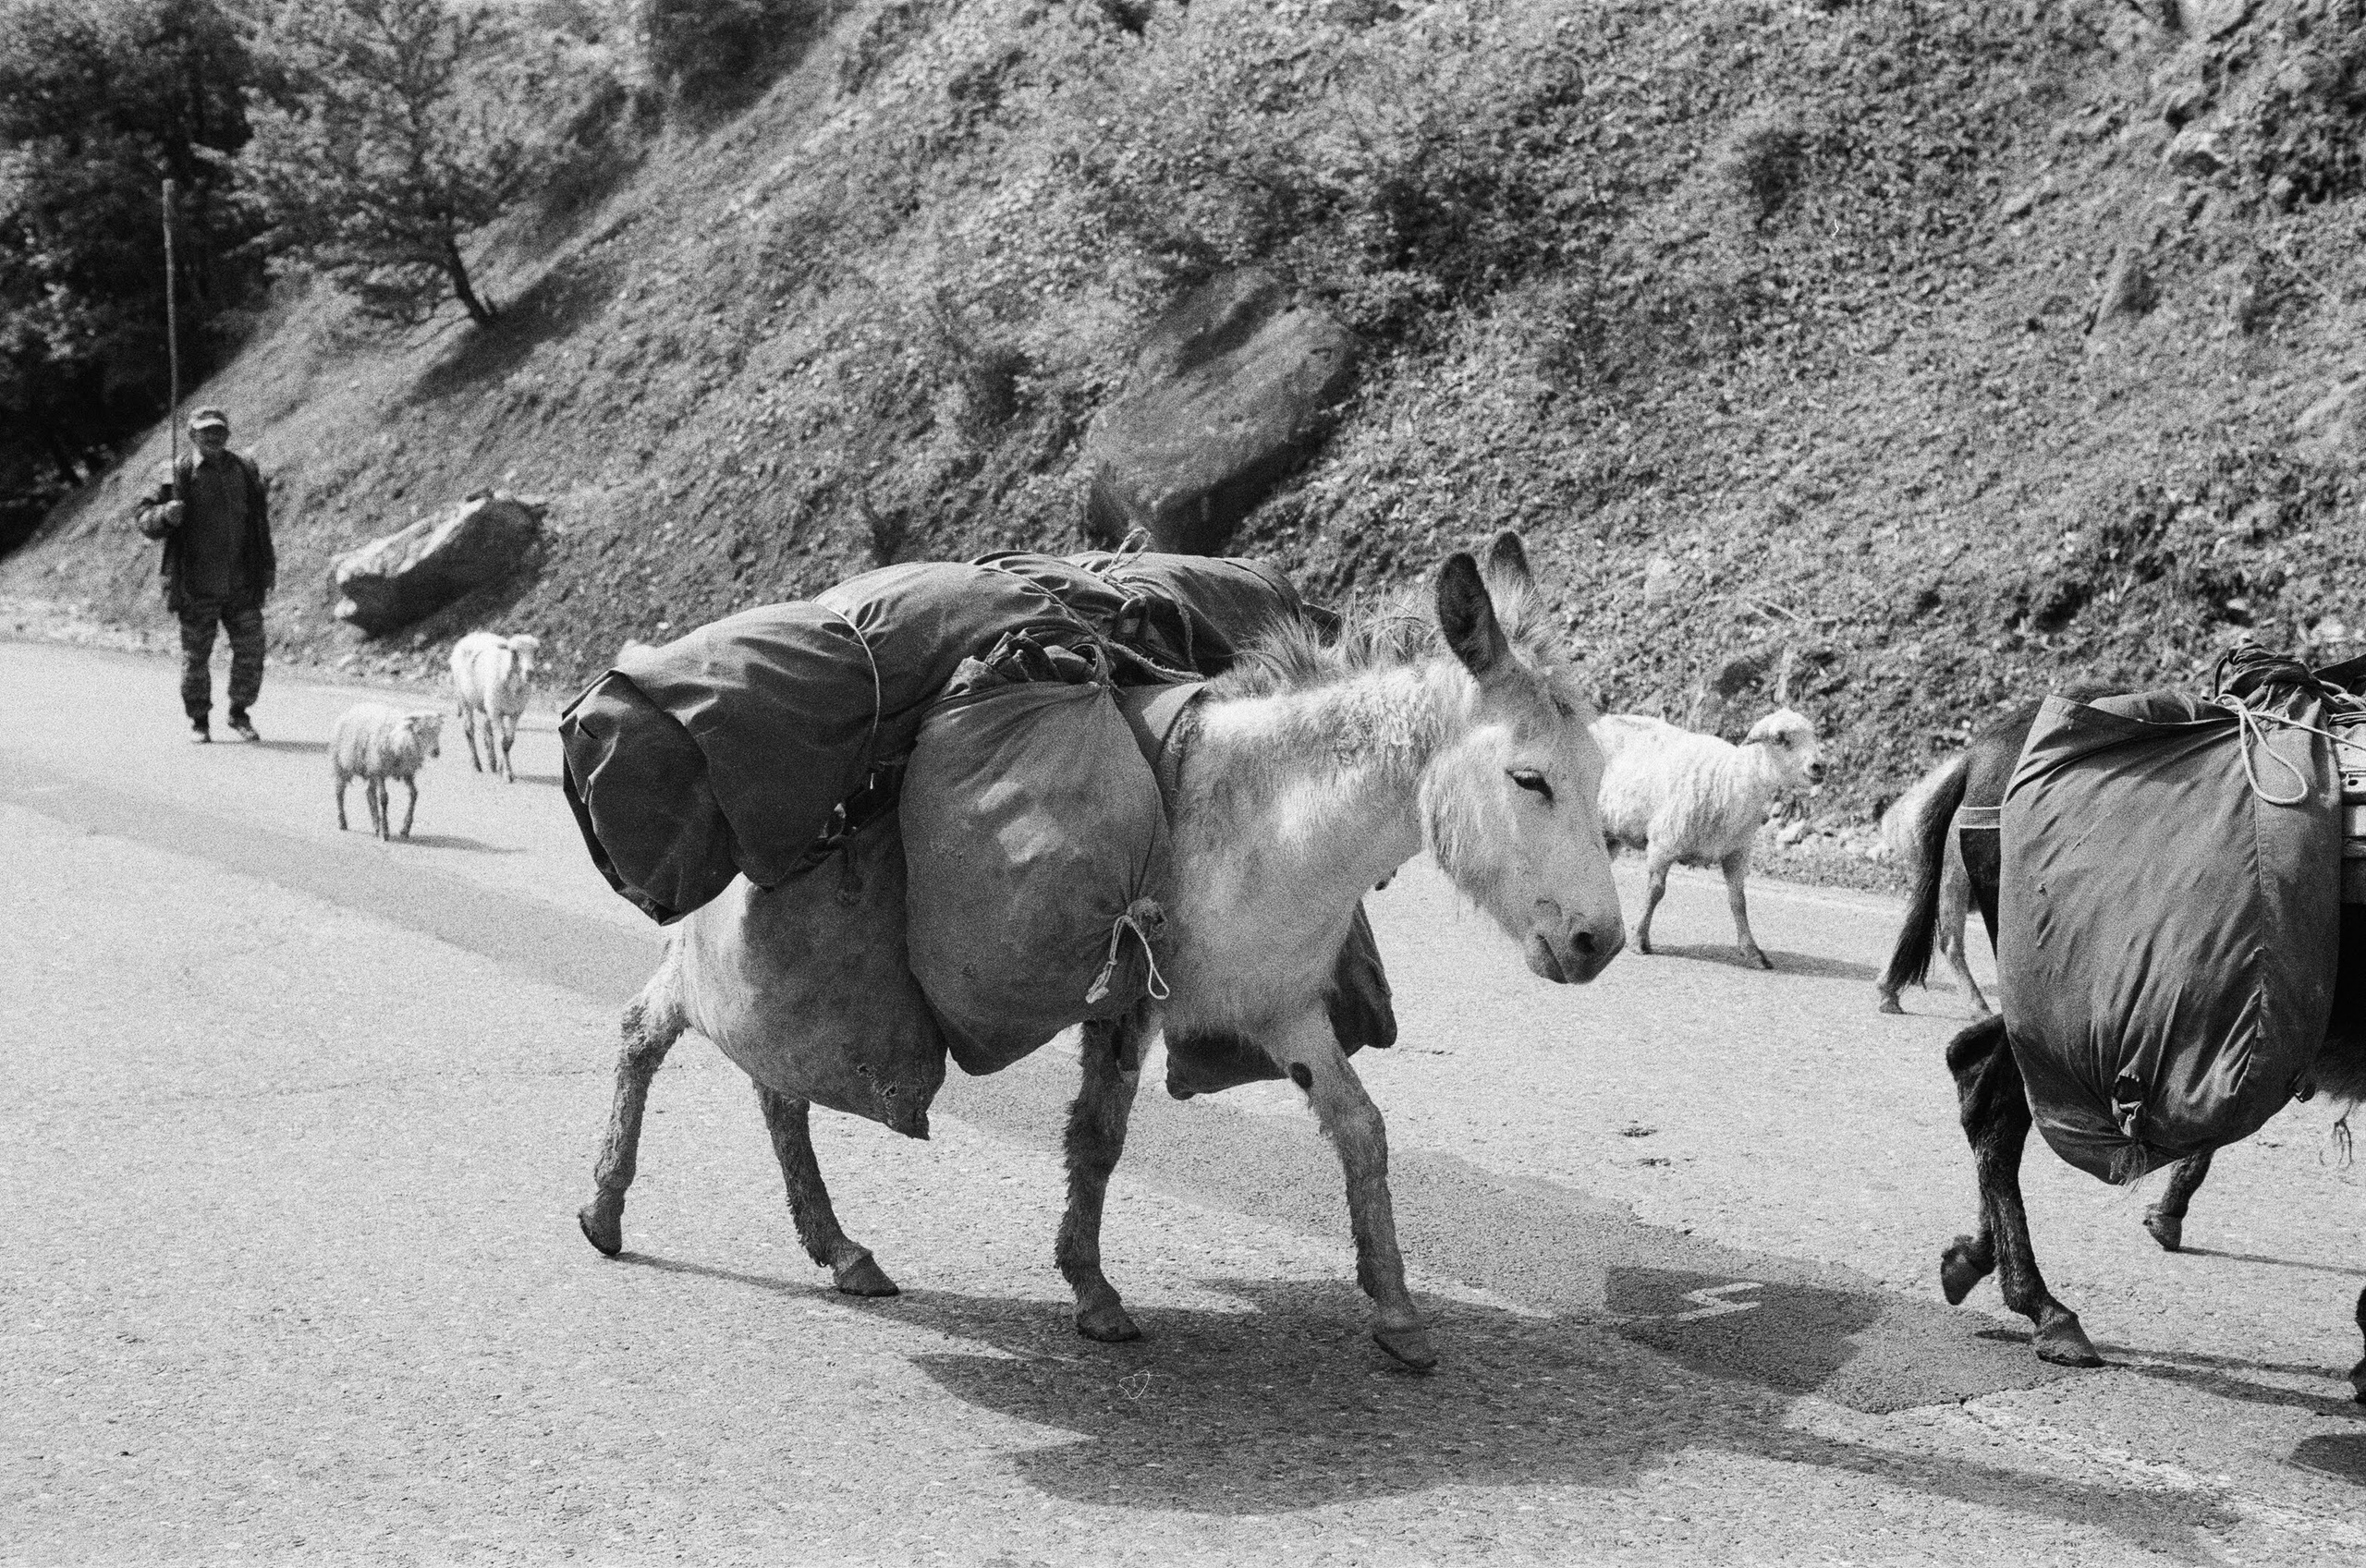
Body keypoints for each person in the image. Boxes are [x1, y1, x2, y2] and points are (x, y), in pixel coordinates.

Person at [133, 407, 275, 743]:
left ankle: (239, 713)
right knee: (196, 657)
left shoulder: (245, 469)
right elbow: (144, 520)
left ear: (227, 434)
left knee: (252, 651)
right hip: (197, 586)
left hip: (242, 583)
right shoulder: (175, 474)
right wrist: (165, 515)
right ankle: (199, 720)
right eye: (206, 431)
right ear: (191, 435)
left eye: (219, 431)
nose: (214, 437)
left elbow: (259, 525)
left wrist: (267, 567)